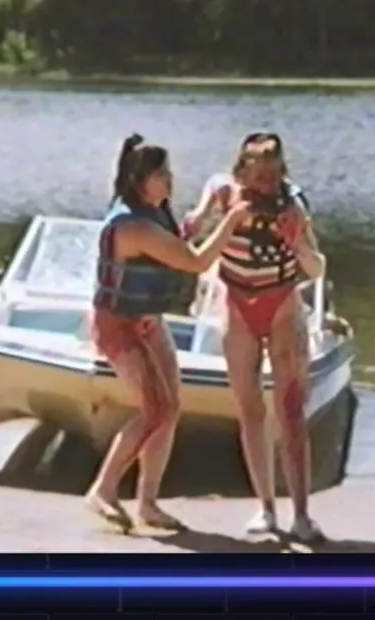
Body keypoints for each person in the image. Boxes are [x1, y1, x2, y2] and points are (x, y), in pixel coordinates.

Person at [86, 134, 251, 531]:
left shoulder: (154, 213)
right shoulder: (132, 225)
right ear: (139, 180)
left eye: (168, 172)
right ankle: (102, 490)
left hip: (147, 319)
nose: (170, 179)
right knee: (155, 410)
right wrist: (231, 221)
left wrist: (209, 209)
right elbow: (194, 262)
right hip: (118, 326)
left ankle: (148, 504)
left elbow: (179, 239)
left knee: (169, 408)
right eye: (161, 174)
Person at [182, 132, 327, 542]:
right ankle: (265, 507)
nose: (267, 184)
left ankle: (302, 514)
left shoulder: (292, 205)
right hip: (237, 304)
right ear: (242, 171)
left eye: (273, 175)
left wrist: (297, 242)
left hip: (281, 304)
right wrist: (200, 222)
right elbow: (191, 229)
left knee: (291, 411)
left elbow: (317, 269)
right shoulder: (222, 190)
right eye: (259, 176)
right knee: (249, 409)